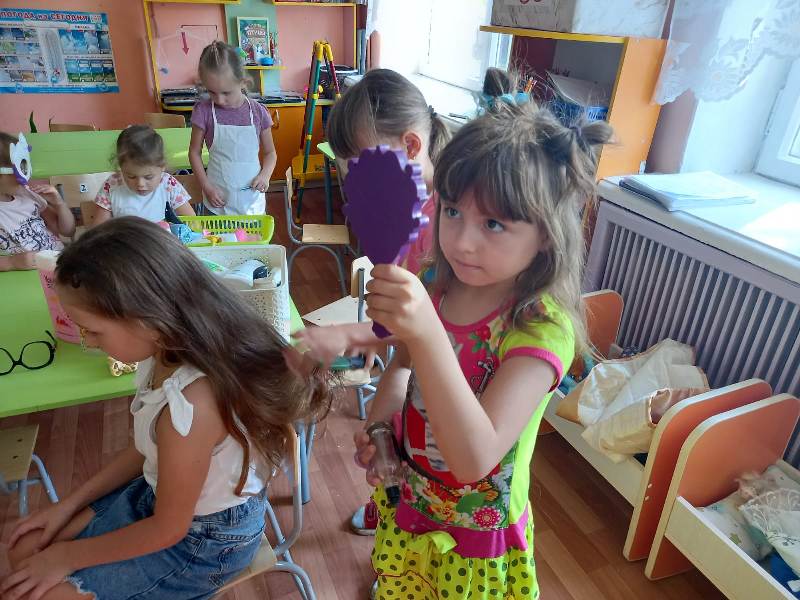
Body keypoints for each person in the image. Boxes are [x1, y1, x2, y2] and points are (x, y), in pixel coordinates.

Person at [300, 101, 613, 599]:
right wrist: (382, 429)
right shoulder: (438, 284)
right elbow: (401, 370)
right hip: (414, 504)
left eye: (493, 224)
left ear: (546, 235)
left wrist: (425, 332)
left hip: (478, 535)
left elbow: (475, 459)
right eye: (452, 211)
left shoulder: (538, 332)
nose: (463, 242)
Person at [2, 217, 331, 600]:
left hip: (205, 543)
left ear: (149, 321)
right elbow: (148, 448)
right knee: (24, 550)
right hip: (160, 496)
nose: (88, 342)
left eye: (93, 331)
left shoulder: (190, 404)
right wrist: (69, 506)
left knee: (33, 590)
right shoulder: (163, 352)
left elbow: (168, 530)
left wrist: (65, 556)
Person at [325, 67, 451, 535]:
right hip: (413, 357)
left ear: (412, 147)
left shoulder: (452, 225)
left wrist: (371, 337)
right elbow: (401, 334)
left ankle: (409, 507)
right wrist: (377, 337)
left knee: (429, 458)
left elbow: (432, 326)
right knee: (384, 446)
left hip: (451, 368)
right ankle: (389, 500)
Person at [189, 41, 277, 215]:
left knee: (251, 234)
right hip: (216, 201)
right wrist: (207, 187)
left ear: (243, 82)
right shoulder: (204, 112)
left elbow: (270, 153)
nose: (219, 100)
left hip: (250, 202)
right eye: (211, 92)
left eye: (226, 92)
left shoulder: (258, 112)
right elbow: (194, 153)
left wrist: (265, 175)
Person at [0, 132, 74, 271]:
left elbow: (68, 231)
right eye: (19, 168)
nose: (26, 175)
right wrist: (11, 262)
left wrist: (60, 204)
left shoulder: (28, 194)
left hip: (61, 262)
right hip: (31, 275)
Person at [93, 125, 196, 226]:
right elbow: (99, 229)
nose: (140, 184)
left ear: (162, 167)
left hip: (159, 237)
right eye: (131, 176)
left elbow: (192, 222)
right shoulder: (112, 185)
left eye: (148, 177)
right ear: (121, 167)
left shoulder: (168, 184)